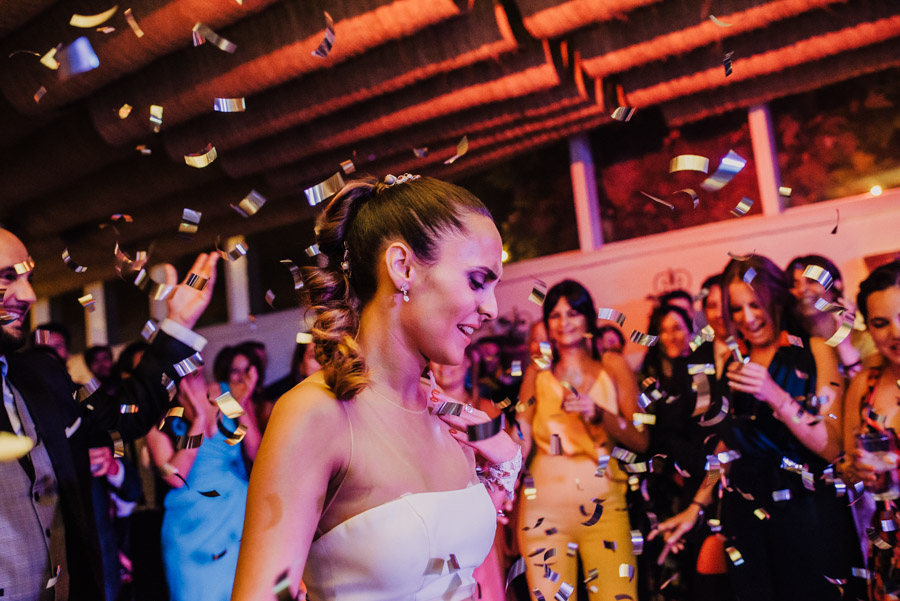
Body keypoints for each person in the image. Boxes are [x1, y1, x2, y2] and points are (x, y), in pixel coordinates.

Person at [231, 174, 521, 601]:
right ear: (402, 267)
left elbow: (454, 565)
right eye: (478, 281)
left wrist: (506, 465)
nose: (492, 309)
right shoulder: (317, 413)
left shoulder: (444, 414)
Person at [0, 227, 218, 600]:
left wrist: (178, 324)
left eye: (29, 279)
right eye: (8, 277)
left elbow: (125, 415)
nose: (29, 295)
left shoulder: (43, 375)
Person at [653, 254, 862, 601]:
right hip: (746, 515)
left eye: (756, 304)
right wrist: (697, 506)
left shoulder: (814, 351)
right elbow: (730, 445)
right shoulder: (737, 361)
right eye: (737, 309)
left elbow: (831, 446)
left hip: (803, 509)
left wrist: (775, 395)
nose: (748, 318)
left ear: (776, 297)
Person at [517, 279, 648, 601]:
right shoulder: (537, 373)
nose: (564, 323)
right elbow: (519, 433)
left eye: (572, 313)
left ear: (588, 318)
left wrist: (600, 413)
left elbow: (642, 440)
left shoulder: (613, 365)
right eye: (556, 315)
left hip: (604, 503)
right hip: (544, 508)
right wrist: (496, 476)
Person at [146, 356, 261, 601]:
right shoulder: (159, 417)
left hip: (235, 516)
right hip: (190, 527)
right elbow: (176, 476)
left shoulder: (224, 396)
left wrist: (242, 406)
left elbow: (256, 452)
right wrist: (198, 419)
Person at [841, 260, 900, 600]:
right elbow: (848, 471)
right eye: (881, 323)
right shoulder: (865, 385)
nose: (895, 332)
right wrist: (857, 471)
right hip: (889, 544)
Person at [786, 254, 875, 378]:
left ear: (836, 285)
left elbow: (869, 393)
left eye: (812, 281)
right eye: (794, 284)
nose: (802, 289)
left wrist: (844, 347)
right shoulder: (792, 345)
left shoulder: (866, 342)